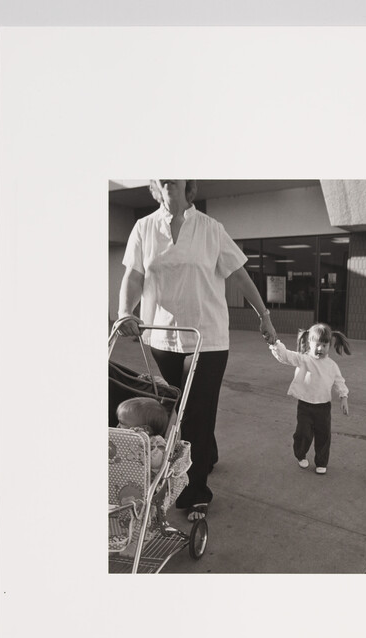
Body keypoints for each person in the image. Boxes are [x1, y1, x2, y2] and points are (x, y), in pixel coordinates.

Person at [115, 180, 277, 519]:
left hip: (208, 339)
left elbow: (240, 276)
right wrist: (124, 312)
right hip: (163, 339)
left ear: (188, 182)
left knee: (196, 413)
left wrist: (264, 316)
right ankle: (207, 454)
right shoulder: (144, 227)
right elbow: (134, 275)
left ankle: (195, 494)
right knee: (185, 408)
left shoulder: (210, 228)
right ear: (154, 183)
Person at [268, 323, 350, 474]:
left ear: (329, 345)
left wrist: (343, 396)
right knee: (303, 433)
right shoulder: (304, 359)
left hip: (323, 408)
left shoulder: (331, 365)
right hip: (305, 406)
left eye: (324, 345)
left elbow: (339, 381)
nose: (320, 348)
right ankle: (300, 454)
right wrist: (275, 344)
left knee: (323, 436)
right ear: (309, 342)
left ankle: (321, 462)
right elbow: (286, 356)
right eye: (317, 344)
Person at [116, 397, 168, 476]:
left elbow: (157, 464)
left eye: (122, 423)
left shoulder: (156, 442)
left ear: (144, 429)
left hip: (143, 480)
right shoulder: (123, 438)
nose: (117, 427)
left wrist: (147, 444)